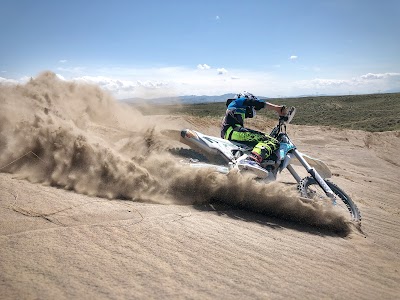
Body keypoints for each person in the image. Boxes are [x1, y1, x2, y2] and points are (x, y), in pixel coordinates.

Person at [221, 92, 287, 169]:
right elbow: (258, 103)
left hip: (231, 133)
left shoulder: (236, 108)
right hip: (234, 132)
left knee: (261, 142)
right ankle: (252, 160)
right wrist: (277, 108)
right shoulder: (238, 102)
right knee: (272, 141)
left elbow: (255, 107)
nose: (254, 109)